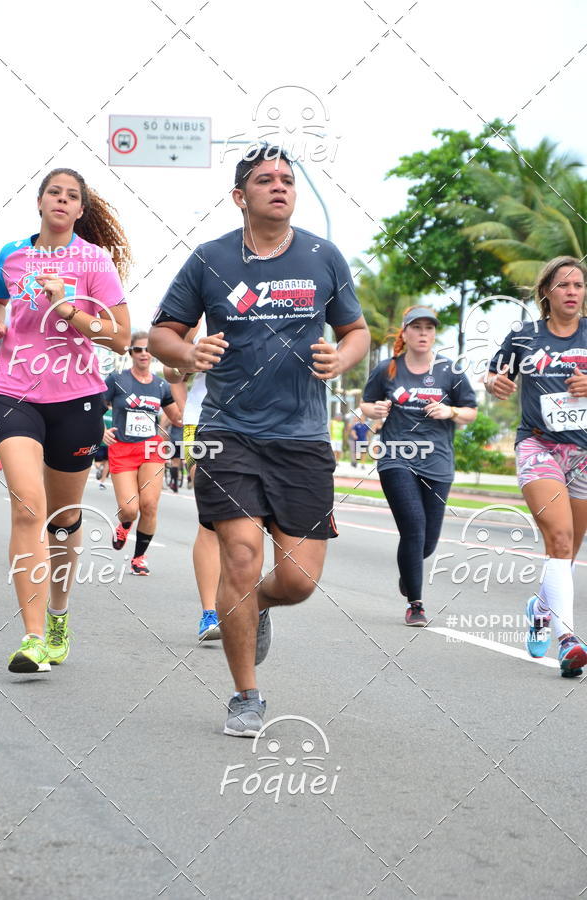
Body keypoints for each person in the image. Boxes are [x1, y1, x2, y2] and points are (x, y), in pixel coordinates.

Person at [149, 145, 370, 736]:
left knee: (297, 580)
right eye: (265, 180)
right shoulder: (211, 258)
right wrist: (188, 351)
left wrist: (340, 356)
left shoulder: (324, 257)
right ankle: (246, 695)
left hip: (301, 439)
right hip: (228, 434)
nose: (280, 187)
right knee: (241, 559)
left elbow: (356, 330)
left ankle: (256, 608)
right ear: (240, 196)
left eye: (287, 180)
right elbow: (161, 333)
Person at [0, 167, 131, 672]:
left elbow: (119, 334)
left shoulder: (94, 261)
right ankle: (31, 639)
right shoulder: (10, 255)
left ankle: (58, 615)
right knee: (28, 508)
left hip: (77, 399)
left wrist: (68, 310)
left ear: (80, 210)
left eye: (73, 196)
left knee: (62, 522)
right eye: (55, 192)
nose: (62, 201)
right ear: (41, 200)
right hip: (12, 393)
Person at [486, 256, 587, 676]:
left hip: (583, 453)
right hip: (538, 446)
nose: (572, 292)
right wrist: (496, 383)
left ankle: (540, 608)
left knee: (567, 551)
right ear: (546, 292)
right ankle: (568, 640)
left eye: (579, 285)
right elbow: (494, 376)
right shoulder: (524, 336)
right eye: (564, 285)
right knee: (560, 539)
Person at [361, 306, 477, 626]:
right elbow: (366, 404)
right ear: (405, 333)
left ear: (434, 334)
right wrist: (377, 408)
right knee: (413, 525)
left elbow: (470, 410)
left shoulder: (449, 371)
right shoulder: (388, 369)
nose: (423, 333)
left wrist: (450, 412)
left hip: (438, 462)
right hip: (396, 456)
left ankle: (408, 572)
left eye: (429, 328)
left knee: (427, 541)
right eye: (417, 327)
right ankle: (416, 604)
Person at [163, 318, 222, 641]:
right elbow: (171, 373)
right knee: (212, 519)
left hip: (264, 423)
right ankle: (210, 613)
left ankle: (241, 598)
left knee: (251, 521)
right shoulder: (196, 316)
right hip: (205, 423)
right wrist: (189, 357)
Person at [104, 333, 181, 575]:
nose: (144, 354)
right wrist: (101, 431)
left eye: (148, 349)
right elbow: (95, 408)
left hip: (151, 449)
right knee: (129, 509)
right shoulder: (117, 380)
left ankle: (139, 558)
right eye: (138, 350)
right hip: (123, 449)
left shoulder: (161, 385)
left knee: (149, 505)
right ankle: (125, 524)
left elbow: (177, 415)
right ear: (131, 353)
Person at [94, 406, 113, 489]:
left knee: (97, 462)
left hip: (100, 441)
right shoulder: (116, 413)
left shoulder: (102, 411)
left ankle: (99, 467)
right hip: (111, 442)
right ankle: (102, 482)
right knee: (107, 462)